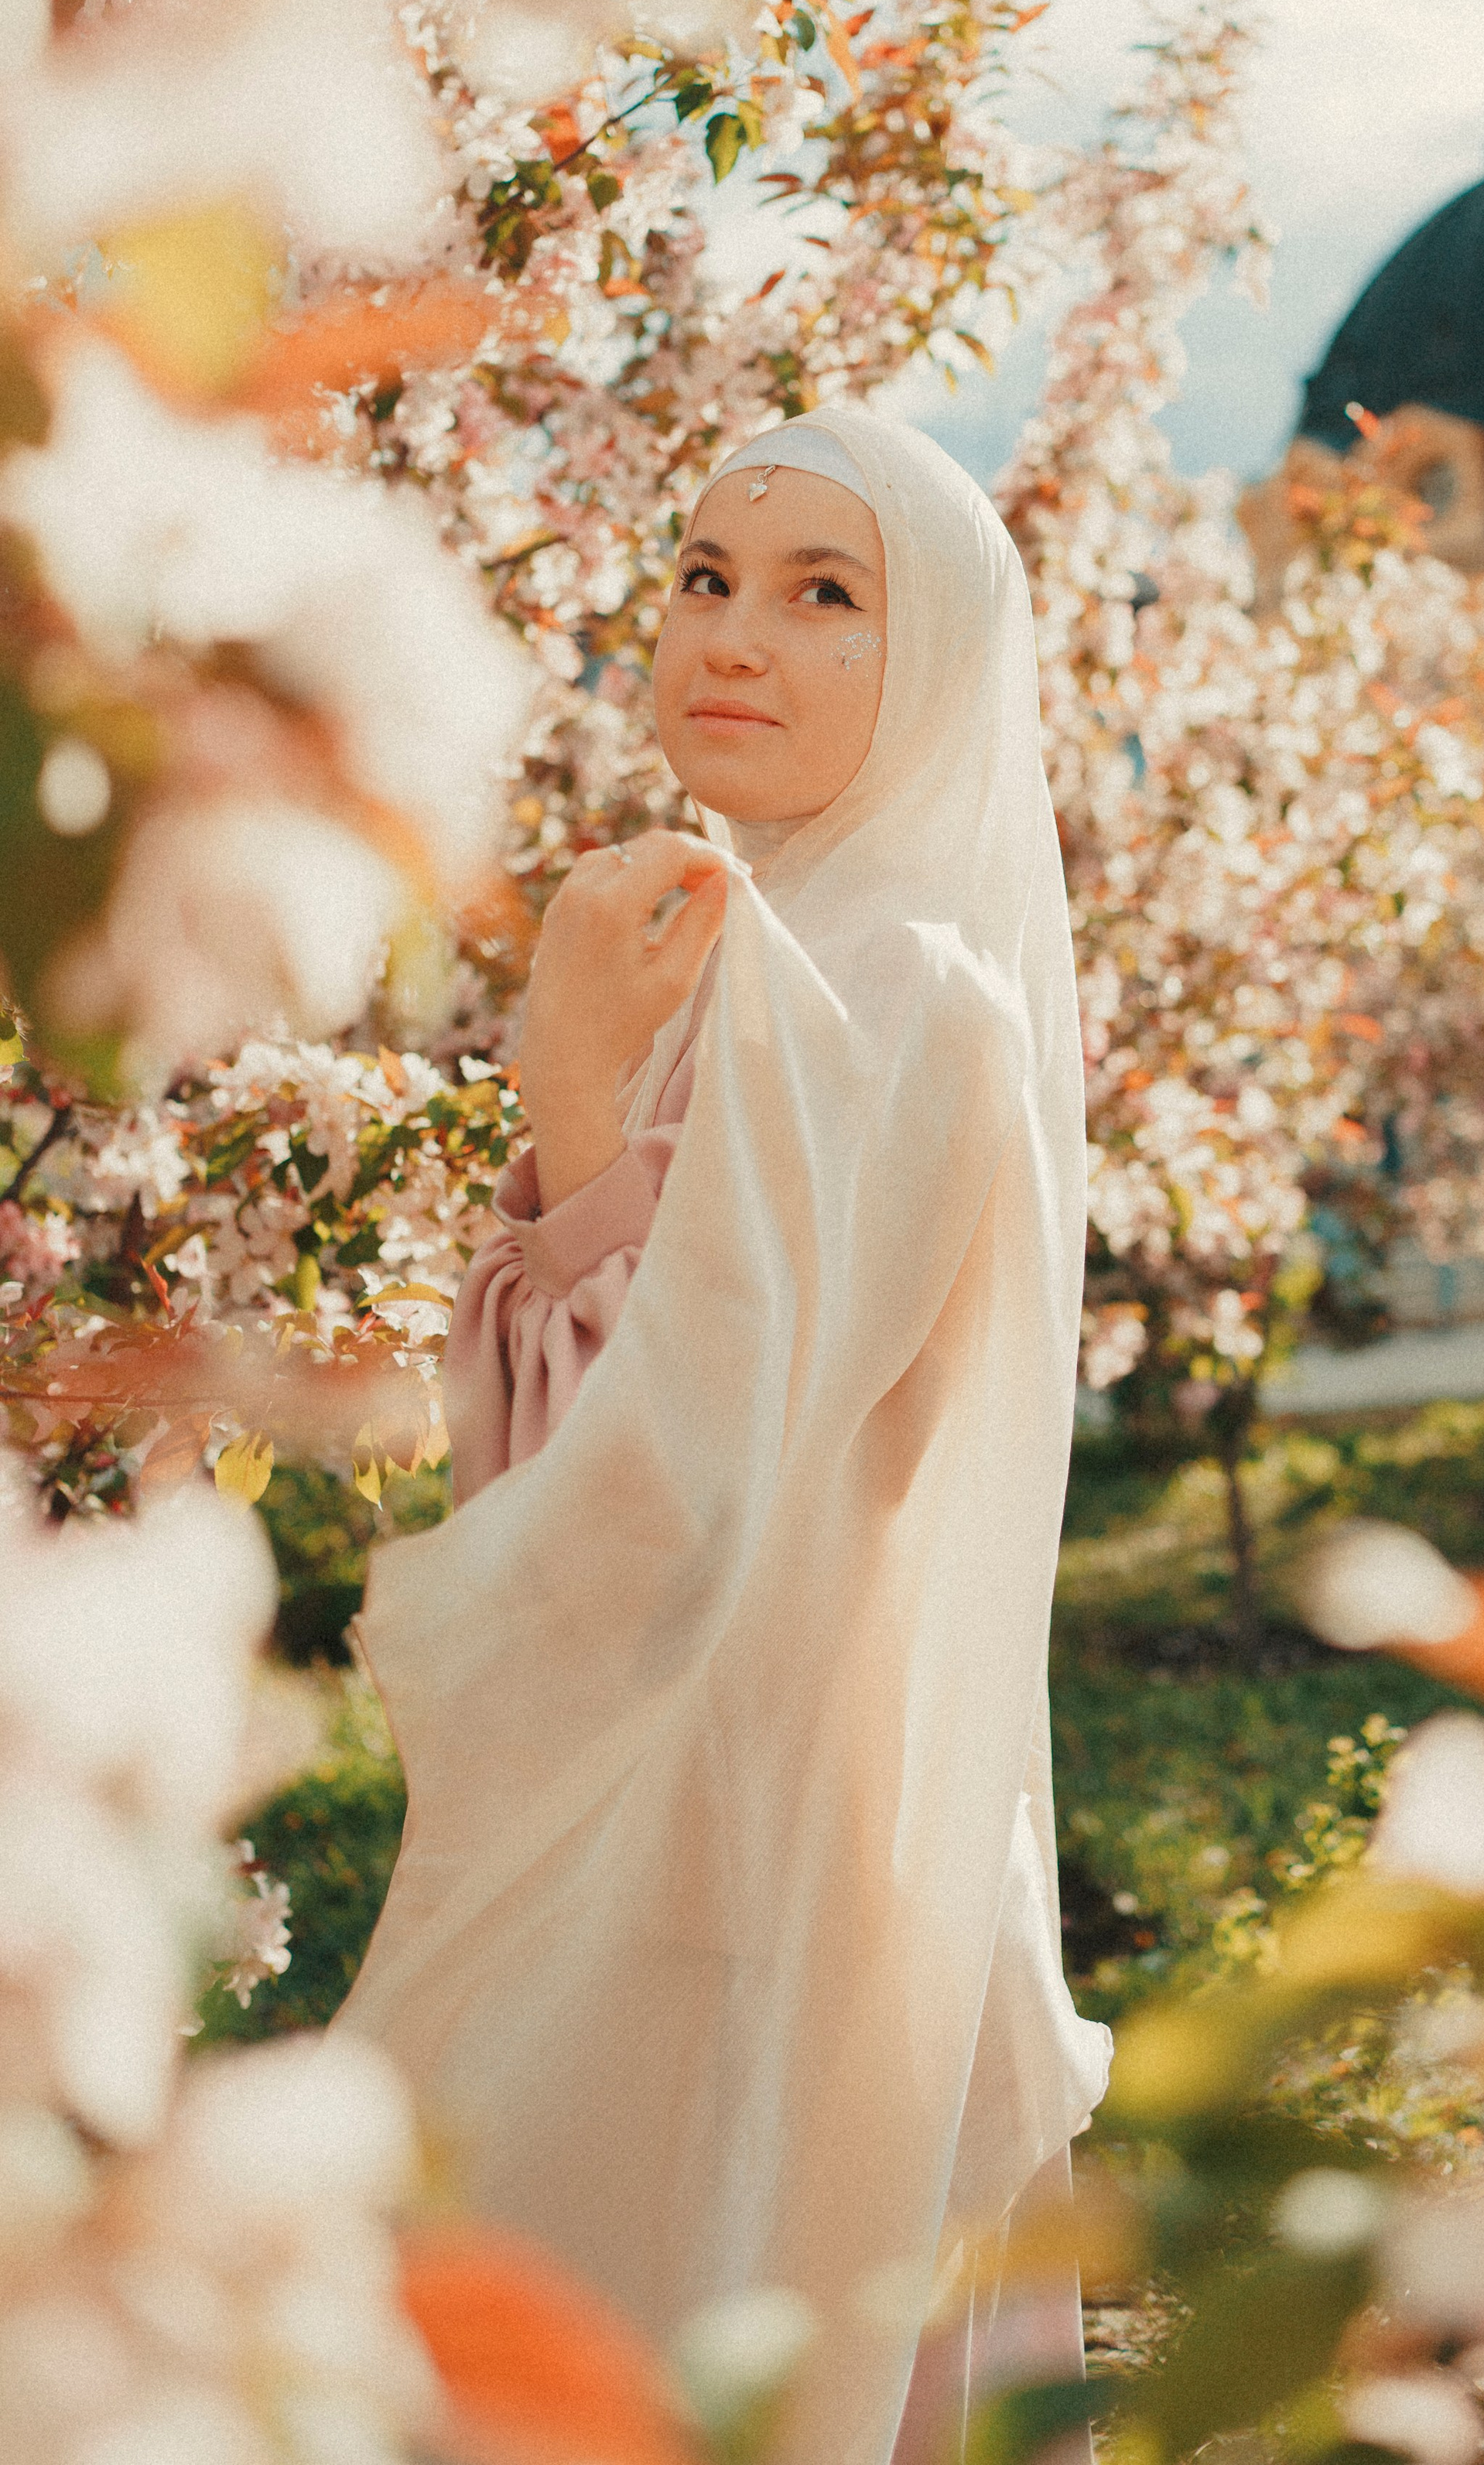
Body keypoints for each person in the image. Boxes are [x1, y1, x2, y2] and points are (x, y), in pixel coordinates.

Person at [339, 408, 1110, 2465]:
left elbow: (673, 1502)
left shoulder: (909, 1005)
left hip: (796, 1853)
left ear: (933, 661)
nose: (731, 637)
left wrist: (571, 1097)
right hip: (662, 1821)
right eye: (702, 577)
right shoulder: (726, 966)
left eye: (822, 593)